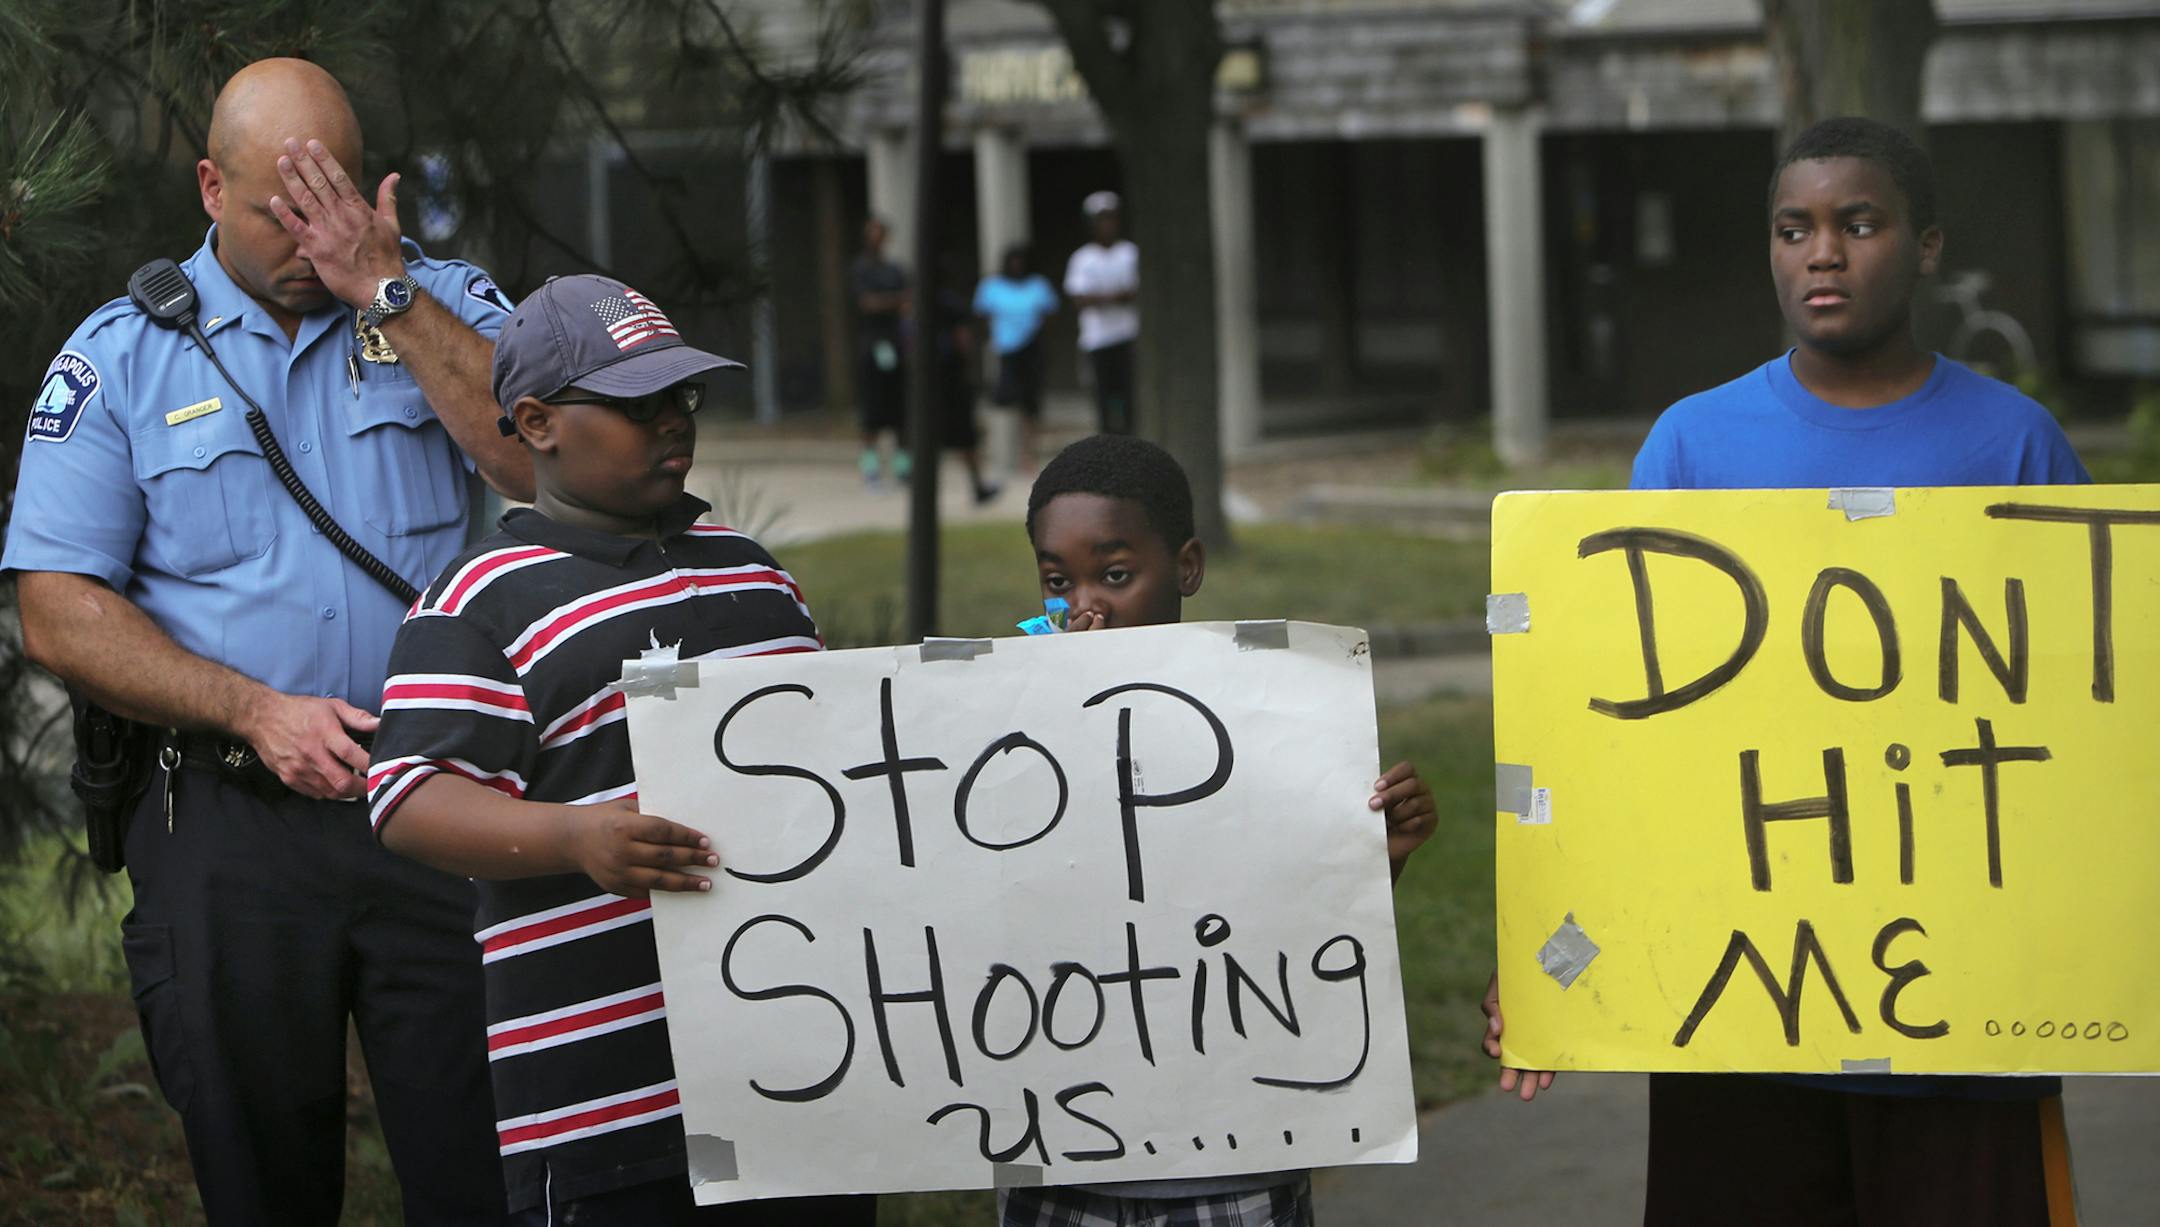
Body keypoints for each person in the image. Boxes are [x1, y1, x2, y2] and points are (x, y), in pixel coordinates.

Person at [1482, 117, 2087, 1226]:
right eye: (1793, 228)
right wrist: (1548, 943)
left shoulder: (2017, 447)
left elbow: (2085, 735)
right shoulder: (1692, 448)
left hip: (1970, 1015)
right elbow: (1620, 728)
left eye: (1860, 223)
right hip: (1738, 1014)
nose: (1824, 253)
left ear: (1928, 245)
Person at [5, 58, 530, 1224]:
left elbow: (539, 458)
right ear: (207, 187)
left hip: (445, 806)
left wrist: (386, 289)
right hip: (230, 824)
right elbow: (56, 605)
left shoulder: (437, 303)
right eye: (276, 207)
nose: (311, 234)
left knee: (490, 1176)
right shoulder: (125, 356)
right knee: (264, 1183)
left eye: (329, 198)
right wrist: (252, 708)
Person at [365, 274, 876, 1226]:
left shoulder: (752, 571)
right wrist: (575, 839)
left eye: (682, 397)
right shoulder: (484, 600)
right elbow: (407, 796)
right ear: (536, 420)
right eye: (637, 404)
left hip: (800, 1085)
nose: (673, 423)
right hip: (607, 1116)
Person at [1001, 434, 1438, 1227]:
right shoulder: (1008, 734)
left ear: (1188, 569)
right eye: (1058, 581)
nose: (1085, 605)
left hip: (1231, 1159)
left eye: (1116, 573)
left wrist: (1379, 859)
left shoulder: (1264, 720)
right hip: (1065, 1163)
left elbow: (1305, 937)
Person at [973, 243, 1060, 472]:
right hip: (1005, 351)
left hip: (1031, 349)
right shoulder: (992, 286)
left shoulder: (1038, 285)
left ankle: (1027, 455)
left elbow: (1049, 314)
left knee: (1030, 404)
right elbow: (981, 316)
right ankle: (999, 453)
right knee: (1003, 399)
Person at [1062, 192, 1139, 435]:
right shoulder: (1082, 258)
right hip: (1096, 339)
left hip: (1127, 335)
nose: (1107, 225)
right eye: (1101, 219)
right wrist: (1116, 297)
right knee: (1102, 397)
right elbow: (1080, 299)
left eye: (1111, 218)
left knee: (1129, 397)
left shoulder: (1130, 253)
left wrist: (1100, 297)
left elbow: (1136, 292)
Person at [851, 215, 911, 487]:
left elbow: (909, 303)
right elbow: (868, 304)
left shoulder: (894, 270)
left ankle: (902, 469)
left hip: (896, 345)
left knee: (899, 412)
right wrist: (895, 300)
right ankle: (871, 469)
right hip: (872, 346)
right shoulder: (860, 269)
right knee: (871, 414)